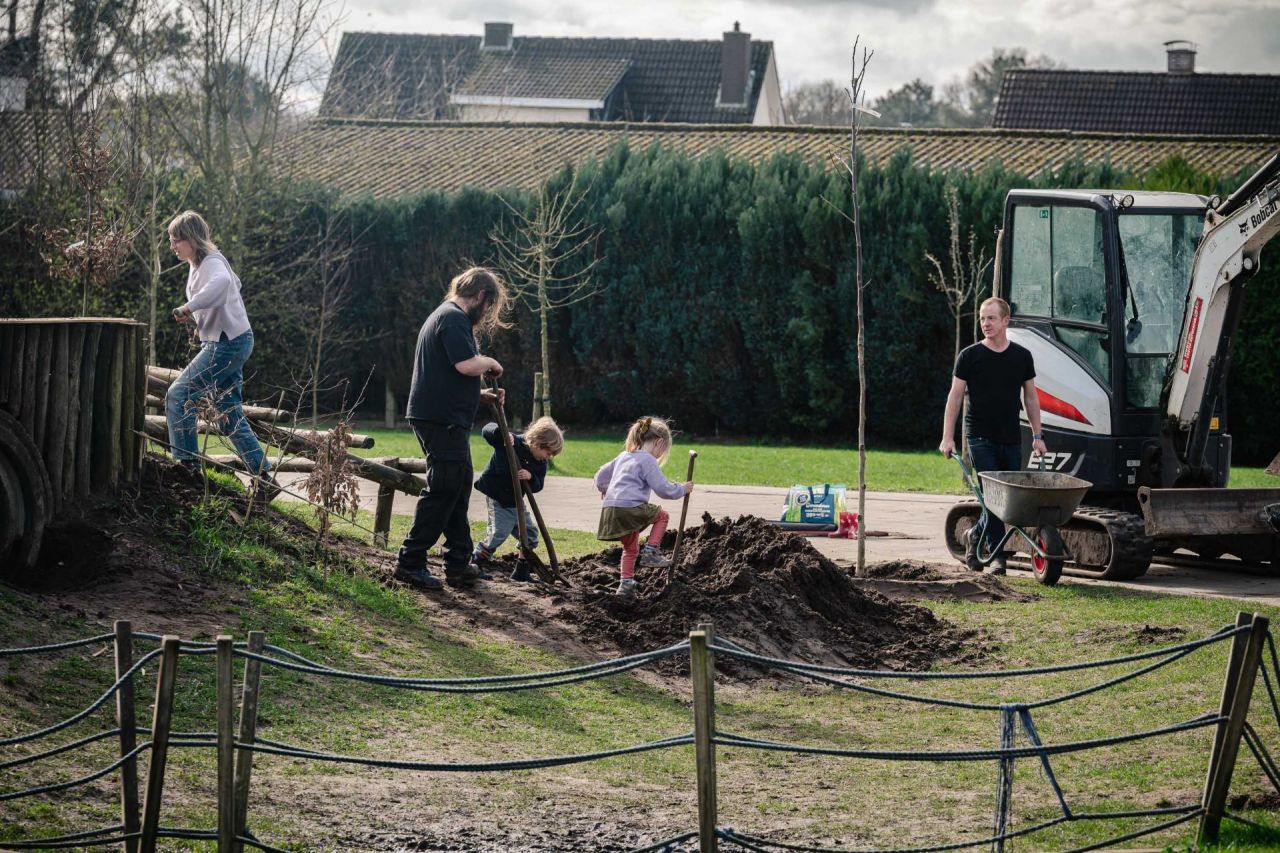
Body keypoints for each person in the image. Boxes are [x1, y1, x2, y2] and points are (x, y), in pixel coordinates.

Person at [395, 266, 510, 592]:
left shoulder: (446, 317)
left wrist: (482, 394)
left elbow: (452, 375)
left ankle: (458, 563)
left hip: (443, 417)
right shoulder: (453, 318)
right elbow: (466, 365)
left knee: (458, 487)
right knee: (444, 488)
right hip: (440, 420)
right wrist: (488, 362)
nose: (486, 312)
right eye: (488, 305)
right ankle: (410, 562)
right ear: (480, 296)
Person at [164, 210, 279, 503]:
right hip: (230, 340)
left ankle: (187, 465)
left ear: (191, 239)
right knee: (229, 415)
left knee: (179, 395)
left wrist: (189, 308)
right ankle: (264, 477)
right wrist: (203, 322)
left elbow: (224, 285)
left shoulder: (212, 262)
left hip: (227, 344)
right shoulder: (199, 263)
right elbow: (235, 283)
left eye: (176, 240)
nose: (172, 246)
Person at [939, 296, 1048, 574]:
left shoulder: (1022, 356)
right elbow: (954, 398)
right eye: (982, 318)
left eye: (990, 318)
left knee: (1007, 501)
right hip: (979, 437)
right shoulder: (970, 356)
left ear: (1005, 321)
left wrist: (1038, 435)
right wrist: (947, 436)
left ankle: (973, 535)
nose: (985, 323)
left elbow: (1032, 398)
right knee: (993, 498)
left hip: (1012, 437)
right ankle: (999, 558)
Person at [594, 416, 693, 603]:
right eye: (663, 450)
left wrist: (606, 489)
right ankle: (651, 552)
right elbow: (663, 489)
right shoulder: (647, 460)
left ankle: (625, 584)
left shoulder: (624, 455)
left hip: (610, 510)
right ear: (658, 442)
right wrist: (682, 489)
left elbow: (599, 477)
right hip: (631, 507)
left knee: (631, 548)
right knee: (662, 516)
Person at [472, 416, 564, 582]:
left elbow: (538, 485)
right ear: (536, 442)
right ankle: (475, 562)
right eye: (548, 452)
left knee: (530, 535)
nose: (548, 457)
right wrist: (501, 434)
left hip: (516, 501)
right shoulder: (511, 443)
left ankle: (521, 570)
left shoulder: (540, 463)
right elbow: (487, 429)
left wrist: (530, 478)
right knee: (498, 532)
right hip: (498, 496)